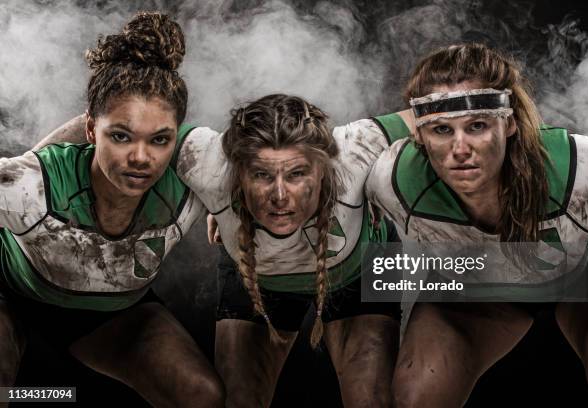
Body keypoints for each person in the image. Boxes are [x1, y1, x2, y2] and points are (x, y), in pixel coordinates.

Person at [45, 93, 404, 407]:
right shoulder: (210, 162)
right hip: (256, 273)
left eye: (296, 175)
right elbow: (110, 122)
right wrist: (34, 172)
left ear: (323, 169)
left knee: (373, 400)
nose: (279, 197)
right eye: (261, 175)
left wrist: (388, 191)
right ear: (237, 171)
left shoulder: (354, 149)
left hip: (362, 265)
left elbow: (436, 112)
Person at [366, 43, 588, 407]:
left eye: (477, 126)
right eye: (441, 130)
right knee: (418, 392)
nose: (460, 148)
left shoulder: (585, 166)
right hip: (479, 282)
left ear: (508, 122)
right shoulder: (393, 181)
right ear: (418, 134)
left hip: (587, 273)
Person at [0, 12, 224, 407]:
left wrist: (229, 202)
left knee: (201, 396)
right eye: (121, 136)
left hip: (111, 312)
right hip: (13, 292)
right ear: (91, 131)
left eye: (159, 139)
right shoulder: (32, 183)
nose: (141, 157)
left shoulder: (192, 177)